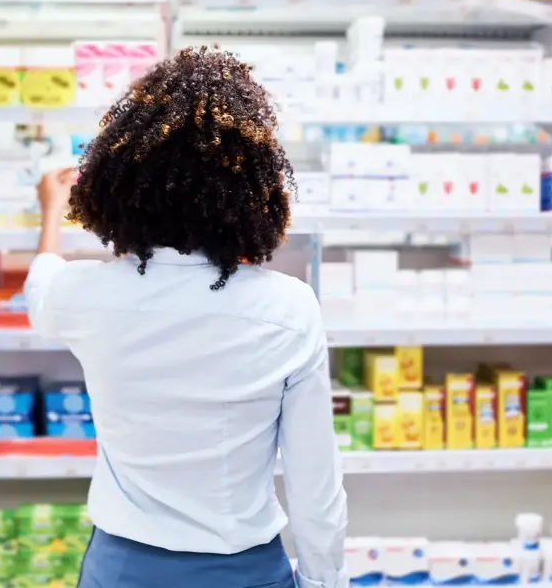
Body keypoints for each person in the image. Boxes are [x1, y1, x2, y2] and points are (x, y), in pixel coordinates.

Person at [25, 46, 348, 588]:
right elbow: (316, 484)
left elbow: (41, 284)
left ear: (121, 182)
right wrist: (324, 581)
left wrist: (52, 212)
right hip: (246, 572)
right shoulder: (288, 311)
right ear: (252, 190)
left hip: (122, 570)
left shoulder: (85, 295)